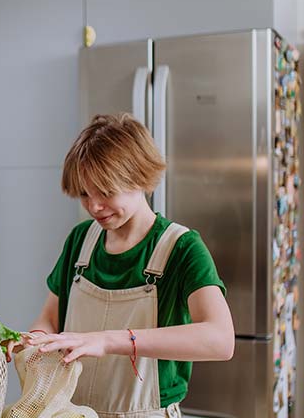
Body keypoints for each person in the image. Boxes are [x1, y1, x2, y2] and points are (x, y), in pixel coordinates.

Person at [14, 113, 234, 418]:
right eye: (84, 194)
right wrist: (36, 343)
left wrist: (108, 340)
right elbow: (49, 318)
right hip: (71, 412)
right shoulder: (81, 241)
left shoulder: (182, 248)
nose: (94, 206)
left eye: (105, 191)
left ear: (140, 177)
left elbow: (220, 340)